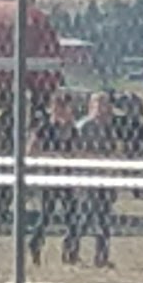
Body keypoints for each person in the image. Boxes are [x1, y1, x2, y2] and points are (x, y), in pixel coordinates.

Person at [28, 93, 81, 266]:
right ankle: (35, 244)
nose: (66, 111)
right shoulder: (44, 127)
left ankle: (71, 251)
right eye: (61, 107)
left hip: (67, 177)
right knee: (46, 214)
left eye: (67, 108)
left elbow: (75, 152)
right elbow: (31, 151)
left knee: (72, 216)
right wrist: (52, 156)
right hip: (50, 177)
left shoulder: (72, 130)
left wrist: (70, 158)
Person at [74, 90, 120, 268]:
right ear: (91, 106)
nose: (103, 108)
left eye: (106, 104)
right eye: (99, 104)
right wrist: (98, 159)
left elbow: (114, 151)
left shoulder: (109, 127)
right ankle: (72, 250)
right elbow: (77, 153)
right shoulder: (84, 127)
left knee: (104, 218)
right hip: (88, 178)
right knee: (85, 218)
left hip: (104, 178)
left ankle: (101, 256)